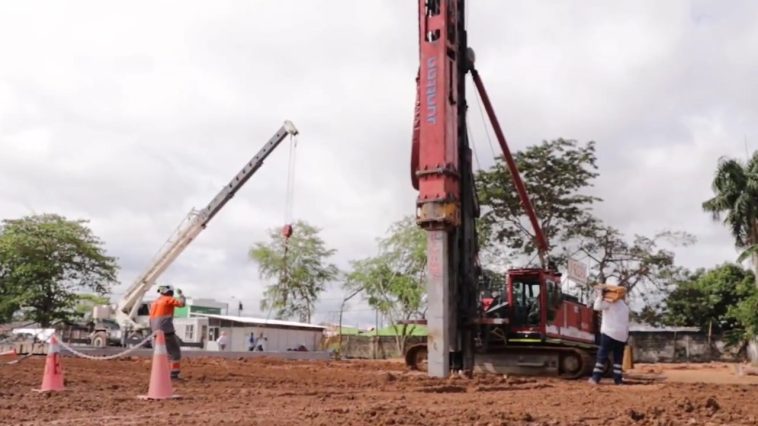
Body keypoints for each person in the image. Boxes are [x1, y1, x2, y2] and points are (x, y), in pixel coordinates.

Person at [589, 284, 629, 385]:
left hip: (609, 333)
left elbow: (596, 307)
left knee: (602, 356)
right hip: (622, 336)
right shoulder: (624, 306)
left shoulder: (609, 303)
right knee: (618, 359)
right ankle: (618, 380)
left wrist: (599, 295)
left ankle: (595, 378)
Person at [149, 285, 186, 380]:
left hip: (155, 331)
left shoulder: (154, 302)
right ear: (171, 292)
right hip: (166, 330)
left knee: (162, 353)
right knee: (175, 352)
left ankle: (161, 373)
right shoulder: (168, 299)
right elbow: (181, 304)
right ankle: (174, 374)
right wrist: (181, 295)